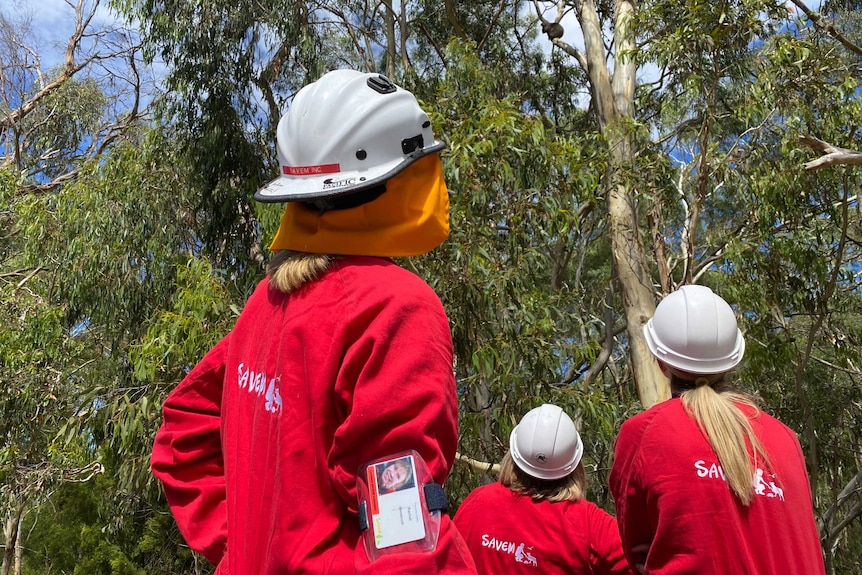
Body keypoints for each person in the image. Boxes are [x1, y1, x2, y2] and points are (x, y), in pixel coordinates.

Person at [151, 69, 477, 574]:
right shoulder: (397, 308)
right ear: (402, 180)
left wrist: (244, 550)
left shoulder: (267, 303)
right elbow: (405, 539)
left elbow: (183, 436)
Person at [609, 285, 826, 574]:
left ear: (661, 362)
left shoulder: (644, 433)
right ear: (732, 360)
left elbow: (638, 553)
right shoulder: (785, 438)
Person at [453, 404, 633, 574]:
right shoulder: (590, 523)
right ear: (574, 464)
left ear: (513, 456)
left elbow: (449, 559)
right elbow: (650, 562)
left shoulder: (478, 501)